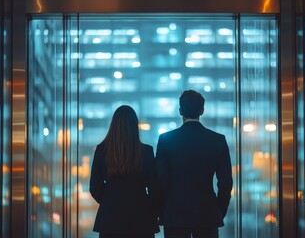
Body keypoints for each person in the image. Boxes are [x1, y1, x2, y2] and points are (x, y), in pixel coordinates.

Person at [156, 90, 233, 238]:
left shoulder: (166, 140)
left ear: (180, 111)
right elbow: (225, 183)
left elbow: (160, 181)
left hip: (174, 216)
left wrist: (161, 211)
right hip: (207, 215)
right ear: (202, 111)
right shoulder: (217, 140)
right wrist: (218, 212)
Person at [89, 105, 159, 238]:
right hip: (141, 220)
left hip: (110, 221)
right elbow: (154, 189)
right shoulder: (146, 152)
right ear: (135, 127)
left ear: (114, 125)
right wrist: (146, 206)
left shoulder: (101, 151)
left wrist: (110, 201)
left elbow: (95, 188)